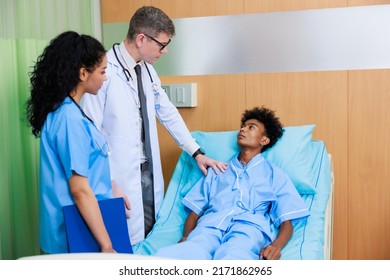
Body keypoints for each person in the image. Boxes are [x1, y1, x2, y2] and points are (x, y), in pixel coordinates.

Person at [81, 6, 227, 245]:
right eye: (162, 44)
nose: (165, 50)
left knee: (150, 237)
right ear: (141, 39)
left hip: (147, 172)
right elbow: (90, 131)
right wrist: (107, 180)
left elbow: (167, 112)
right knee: (122, 242)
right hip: (117, 175)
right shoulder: (104, 72)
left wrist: (197, 152)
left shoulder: (147, 71)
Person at [154, 106, 310, 260]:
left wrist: (275, 247)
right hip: (209, 226)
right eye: (243, 126)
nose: (242, 130)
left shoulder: (275, 175)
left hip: (249, 230)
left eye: (251, 127)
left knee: (232, 257)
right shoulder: (218, 170)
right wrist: (187, 237)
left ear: (264, 140)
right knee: (188, 253)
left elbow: (286, 222)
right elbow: (194, 213)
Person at [26, 31, 116, 254]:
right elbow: (79, 190)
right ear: (83, 73)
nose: (105, 78)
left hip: (78, 227)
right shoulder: (69, 119)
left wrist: (113, 188)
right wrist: (107, 245)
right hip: (73, 236)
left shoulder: (68, 111)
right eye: (102, 71)